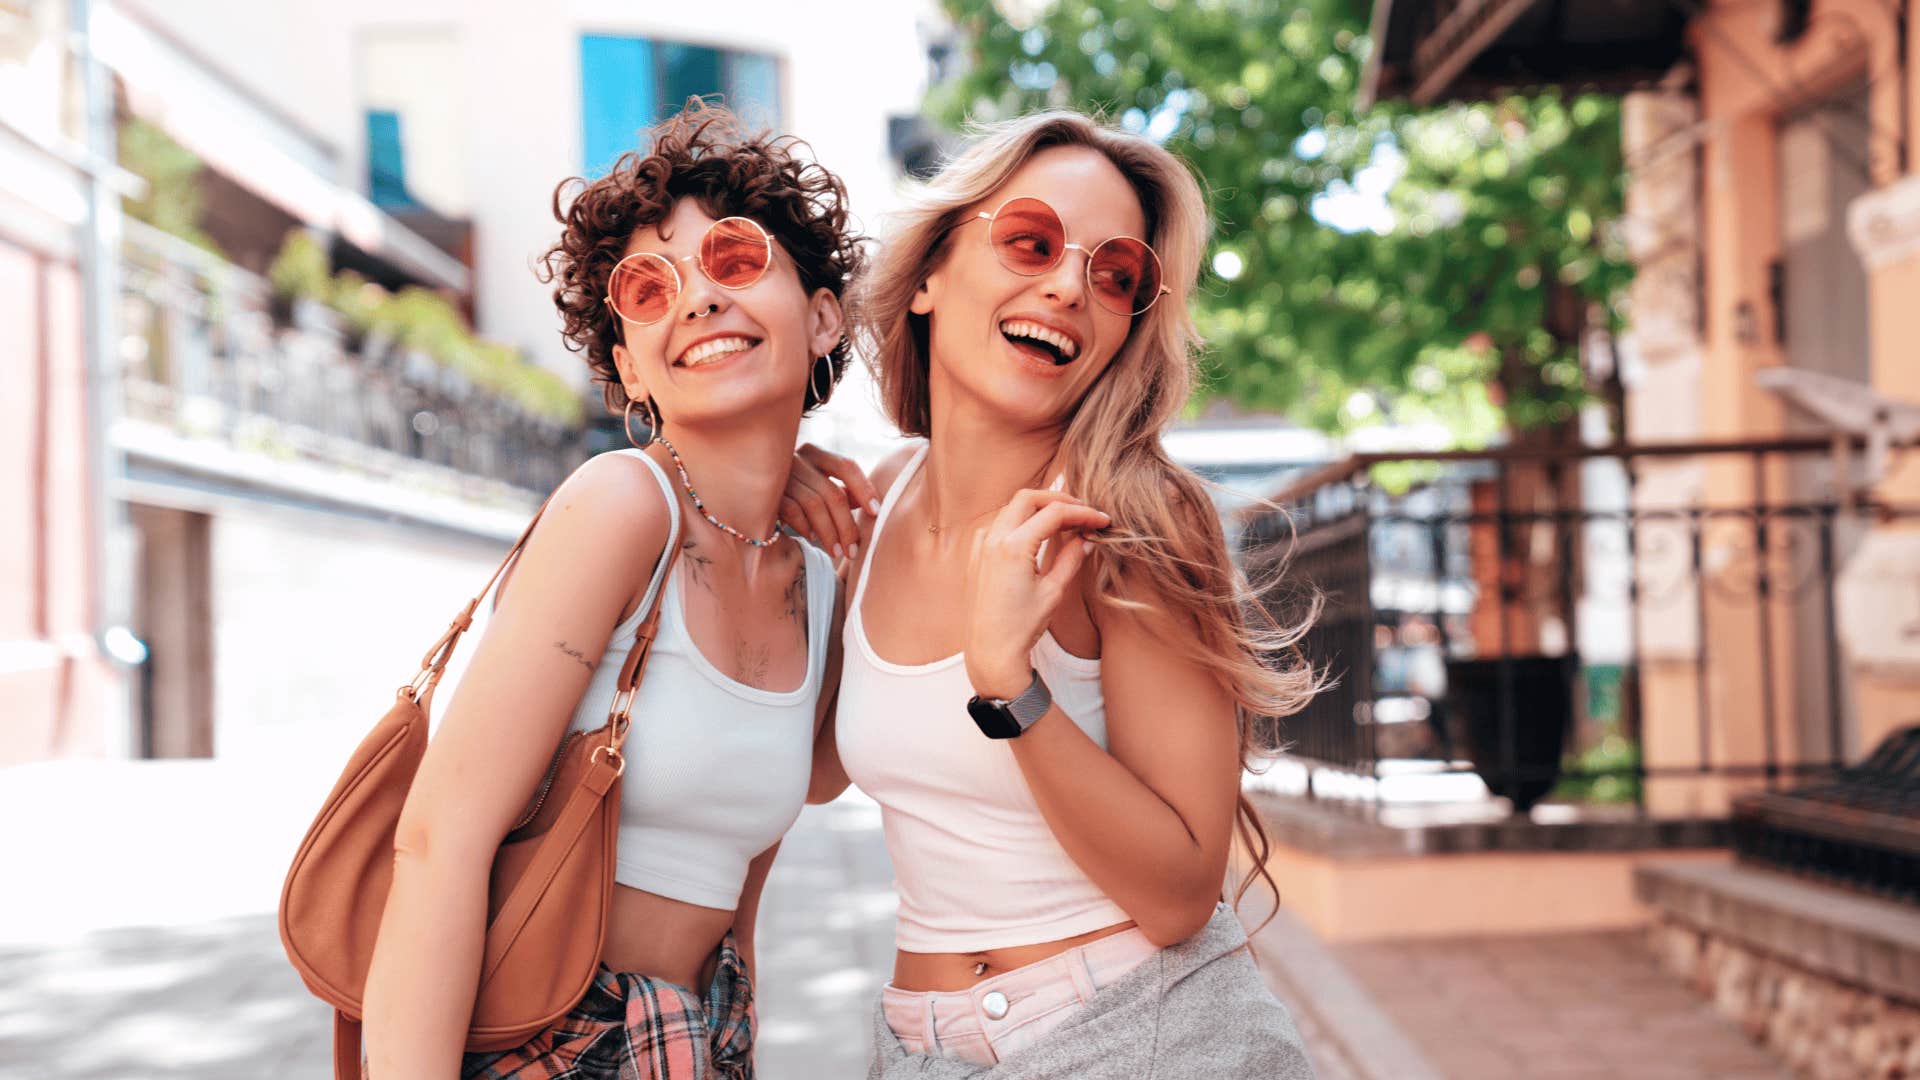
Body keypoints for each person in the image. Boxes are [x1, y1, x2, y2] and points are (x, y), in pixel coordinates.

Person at [787, 108, 1318, 1078]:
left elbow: (1179, 892)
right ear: (929, 276)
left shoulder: (1133, 523)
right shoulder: (876, 508)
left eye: (1115, 275)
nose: (1070, 284)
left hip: (1140, 1037)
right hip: (915, 1047)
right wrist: (757, 497)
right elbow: (815, 770)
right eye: (1030, 241)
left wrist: (1007, 684)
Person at [360, 101, 861, 1079]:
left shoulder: (814, 573)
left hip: (700, 1042)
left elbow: (810, 791)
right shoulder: (622, 507)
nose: (699, 300)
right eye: (649, 285)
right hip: (551, 1043)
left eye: (736, 259)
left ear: (824, 315)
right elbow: (437, 842)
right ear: (629, 365)